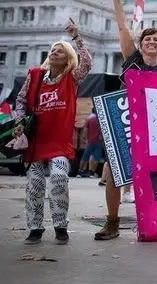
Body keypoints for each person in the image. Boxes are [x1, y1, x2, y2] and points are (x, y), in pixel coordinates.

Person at [95, 0, 157, 242]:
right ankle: (112, 222)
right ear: (141, 45)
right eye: (147, 39)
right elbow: (121, 27)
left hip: (151, 129)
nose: (151, 42)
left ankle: (150, 223)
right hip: (123, 124)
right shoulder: (132, 61)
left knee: (151, 179)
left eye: (156, 40)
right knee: (114, 174)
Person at [13, 20, 92, 245]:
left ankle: (60, 225)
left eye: (60, 51)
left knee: (58, 178)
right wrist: (19, 122)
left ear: (67, 57)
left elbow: (86, 63)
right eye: (52, 51)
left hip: (59, 141)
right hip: (37, 141)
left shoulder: (71, 79)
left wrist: (77, 37)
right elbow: (20, 100)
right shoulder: (36, 75)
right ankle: (35, 228)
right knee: (35, 183)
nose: (55, 53)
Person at [78, 112, 103, 178]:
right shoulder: (100, 119)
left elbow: (85, 129)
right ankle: (92, 173)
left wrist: (84, 138)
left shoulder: (89, 119)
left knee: (85, 157)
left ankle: (79, 172)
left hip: (90, 141)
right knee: (96, 158)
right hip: (98, 141)